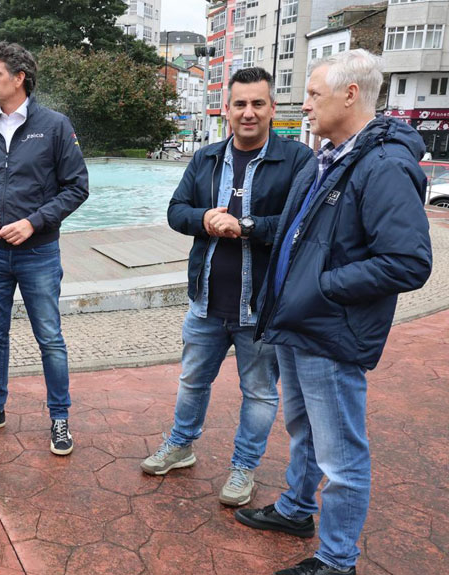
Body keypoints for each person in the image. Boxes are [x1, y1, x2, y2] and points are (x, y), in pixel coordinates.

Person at [237, 50, 432, 575]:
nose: (303, 106)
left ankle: (337, 558)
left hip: (329, 331)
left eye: (313, 94)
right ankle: (298, 510)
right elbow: (304, 234)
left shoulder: (385, 165)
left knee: (341, 455)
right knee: (305, 432)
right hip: (298, 325)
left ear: (350, 94)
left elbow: (408, 262)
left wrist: (321, 287)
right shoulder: (329, 156)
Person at [142, 67, 314, 507]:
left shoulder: (297, 160)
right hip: (205, 302)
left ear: (273, 108)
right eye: (240, 103)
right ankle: (180, 445)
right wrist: (204, 219)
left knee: (258, 392)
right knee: (192, 382)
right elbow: (176, 211)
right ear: (226, 109)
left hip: (260, 307)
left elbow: (301, 225)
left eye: (258, 103)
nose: (249, 112)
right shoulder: (206, 158)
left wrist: (247, 226)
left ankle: (243, 469)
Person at [0, 42, 89, 456]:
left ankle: (59, 417)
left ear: (19, 78)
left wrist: (34, 222)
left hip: (39, 253)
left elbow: (77, 188)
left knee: (50, 337)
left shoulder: (55, 125)